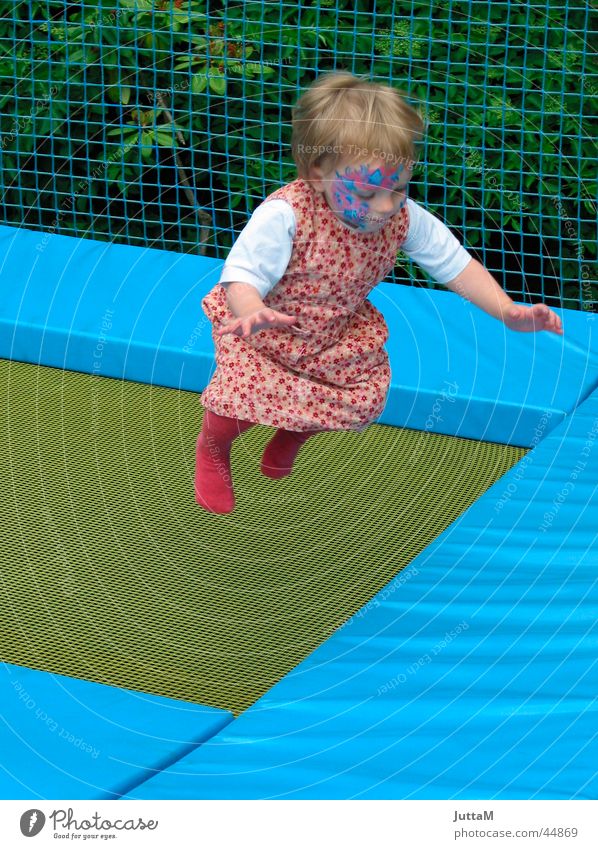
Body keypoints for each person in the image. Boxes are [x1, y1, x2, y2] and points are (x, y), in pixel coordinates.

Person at [195, 71, 563, 514]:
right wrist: (250, 307)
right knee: (242, 399)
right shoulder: (286, 215)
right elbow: (243, 273)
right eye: (368, 193)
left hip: (331, 336)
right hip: (265, 331)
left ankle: (292, 433)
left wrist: (506, 310)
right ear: (317, 174)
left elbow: (454, 263)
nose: (387, 206)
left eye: (400, 188)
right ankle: (213, 448)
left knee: (361, 397)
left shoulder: (402, 215)